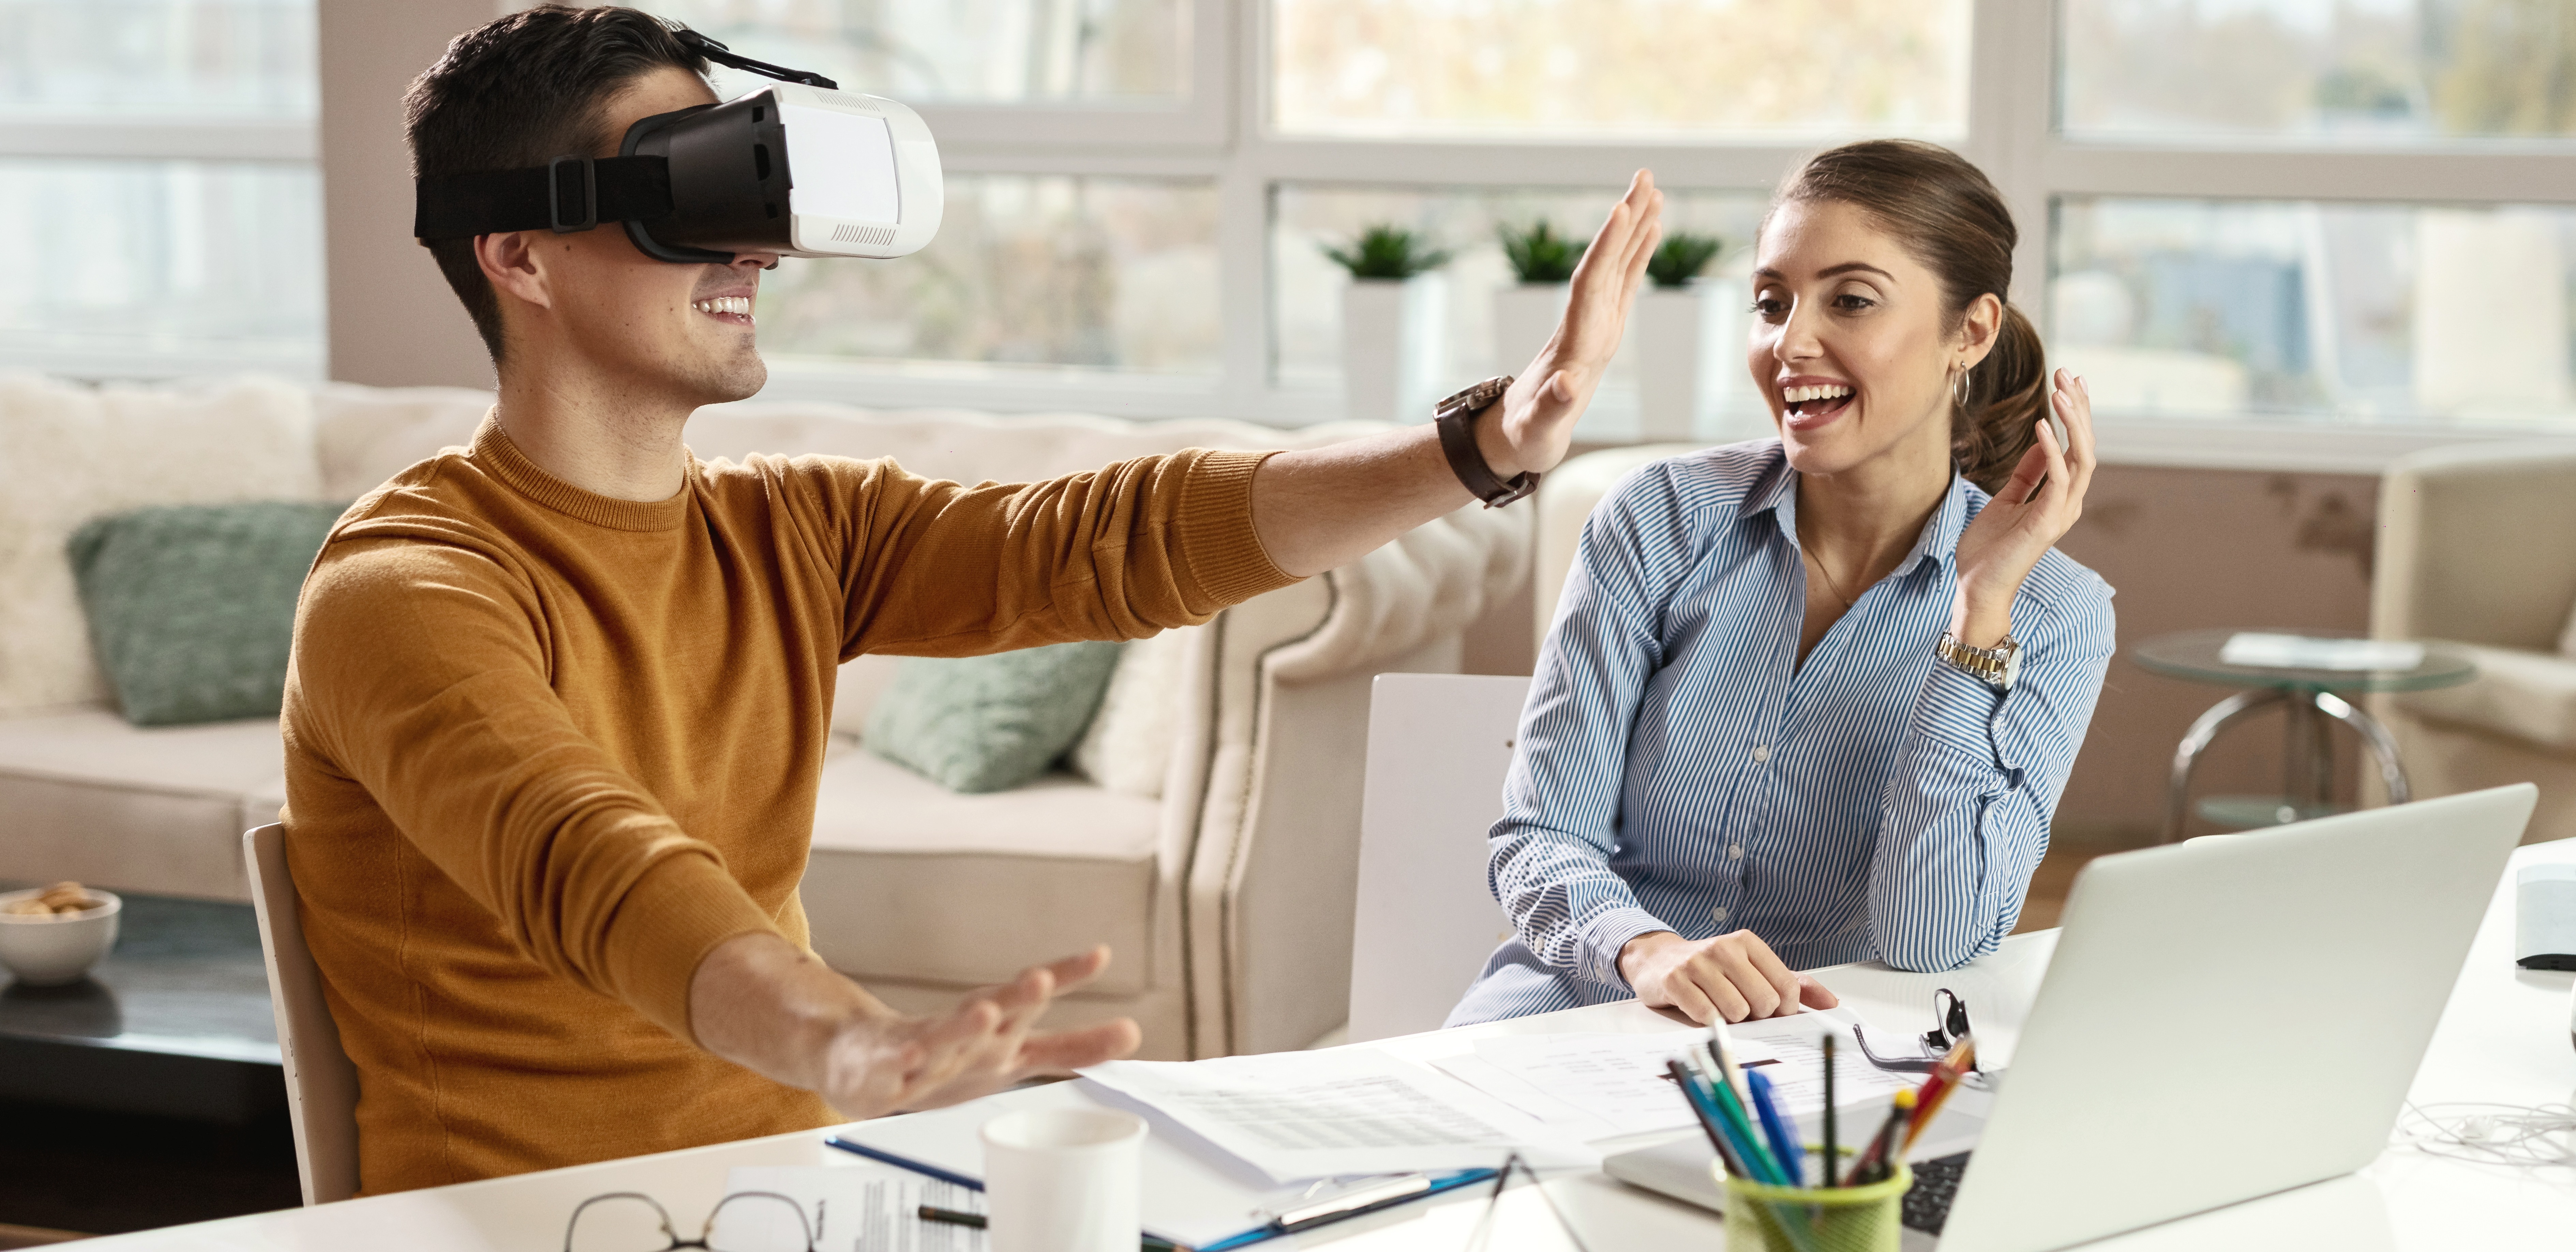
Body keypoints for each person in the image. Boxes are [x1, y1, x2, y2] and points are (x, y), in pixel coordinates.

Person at [282, 5, 1661, 1192]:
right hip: (527, 1220)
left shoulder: (786, 530)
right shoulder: (406, 592)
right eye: (690, 194)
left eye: (754, 197)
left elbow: (1113, 538)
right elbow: (593, 861)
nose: (755, 250)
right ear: (520, 254)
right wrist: (842, 1038)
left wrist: (1484, 443)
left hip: (791, 1198)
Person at [1447, 140, 2113, 1028]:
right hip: (1580, 1012)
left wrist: (1978, 619)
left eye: (1852, 300)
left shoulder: (2055, 613)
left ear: (1973, 332)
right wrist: (1648, 950)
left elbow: (1932, 938)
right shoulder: (1659, 519)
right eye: (1771, 303)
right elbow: (1540, 839)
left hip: (1810, 1059)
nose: (1790, 343)